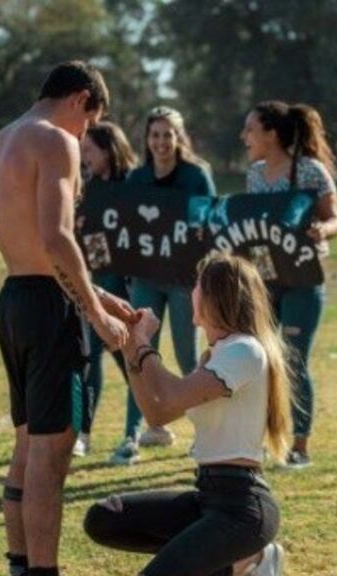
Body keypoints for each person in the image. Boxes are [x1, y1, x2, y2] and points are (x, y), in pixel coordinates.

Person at [0, 61, 137, 576]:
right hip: (47, 309)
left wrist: (96, 294)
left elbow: (29, 244)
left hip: (15, 298)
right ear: (80, 99)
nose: (85, 135)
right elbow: (57, 236)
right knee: (52, 453)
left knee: (26, 448)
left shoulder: (2, 140)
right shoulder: (56, 141)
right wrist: (92, 312)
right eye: (90, 120)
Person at [84, 253, 291, 576]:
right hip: (208, 498)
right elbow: (157, 412)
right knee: (103, 517)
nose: (190, 291)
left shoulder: (244, 350)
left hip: (242, 509)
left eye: (197, 285)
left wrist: (144, 343)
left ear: (216, 296)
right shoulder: (217, 353)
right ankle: (207, 557)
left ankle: (250, 559)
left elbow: (171, 396)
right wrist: (133, 344)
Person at [109, 106, 217, 466]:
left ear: (179, 137)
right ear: (147, 139)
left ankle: (206, 435)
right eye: (155, 135)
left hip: (185, 281)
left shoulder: (197, 176)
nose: (161, 142)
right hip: (146, 278)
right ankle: (131, 434)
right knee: (137, 353)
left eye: (168, 134)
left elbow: (210, 222)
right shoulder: (137, 179)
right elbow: (124, 225)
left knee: (190, 358)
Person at [241, 101, 337, 469]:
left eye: (250, 129)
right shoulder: (253, 176)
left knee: (295, 361)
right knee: (262, 362)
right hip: (266, 281)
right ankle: (265, 439)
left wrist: (322, 229)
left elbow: (335, 219)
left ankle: (299, 447)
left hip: (303, 279)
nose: (244, 137)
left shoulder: (310, 172)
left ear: (271, 134)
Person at [73, 121, 137, 457]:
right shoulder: (89, 186)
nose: (84, 158)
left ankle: (143, 421)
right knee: (90, 358)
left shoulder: (135, 183)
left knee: (130, 361)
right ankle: (83, 433)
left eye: (89, 150)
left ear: (109, 148)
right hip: (97, 286)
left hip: (127, 288)